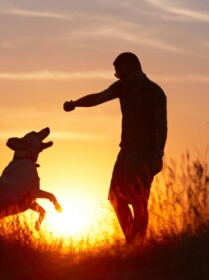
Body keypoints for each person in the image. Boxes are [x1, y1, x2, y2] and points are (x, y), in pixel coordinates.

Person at [63, 52, 167, 243]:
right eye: (118, 76)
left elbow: (162, 126)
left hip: (145, 154)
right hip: (126, 152)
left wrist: (158, 154)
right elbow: (99, 97)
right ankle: (132, 242)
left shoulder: (155, 92)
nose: (120, 79)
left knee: (139, 202)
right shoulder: (121, 88)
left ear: (136, 70)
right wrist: (75, 104)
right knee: (115, 198)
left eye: (123, 75)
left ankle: (138, 245)